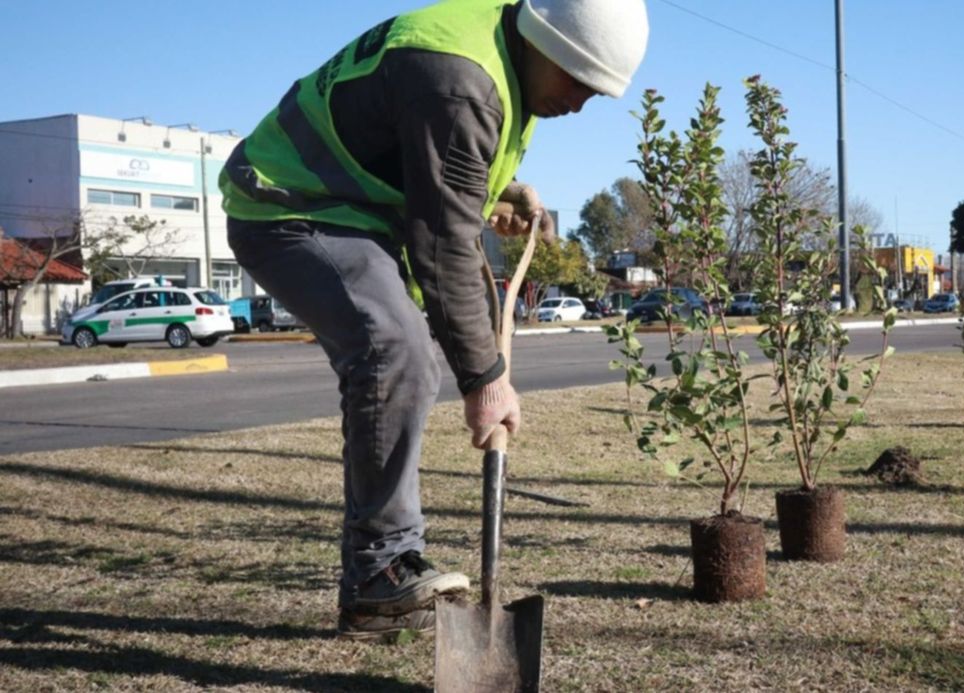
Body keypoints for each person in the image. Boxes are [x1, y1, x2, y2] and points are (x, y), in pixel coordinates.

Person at [220, 0, 648, 640]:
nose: (582, 102)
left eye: (596, 91)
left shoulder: (498, 58)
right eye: (578, 80)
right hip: (288, 203)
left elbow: (430, 168)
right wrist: (486, 380)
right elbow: (445, 247)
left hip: (357, 214)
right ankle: (378, 570)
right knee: (394, 349)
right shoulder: (460, 75)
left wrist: (500, 190)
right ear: (541, 39)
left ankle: (379, 582)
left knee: (405, 351)